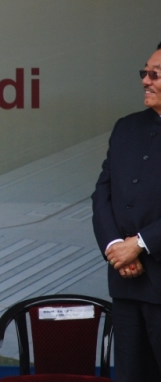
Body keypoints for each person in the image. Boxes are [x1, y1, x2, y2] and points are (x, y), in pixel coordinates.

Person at [92, 46, 161, 381]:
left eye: (155, 74)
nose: (146, 81)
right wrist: (117, 248)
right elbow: (101, 195)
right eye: (144, 73)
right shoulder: (126, 128)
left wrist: (142, 243)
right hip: (127, 281)